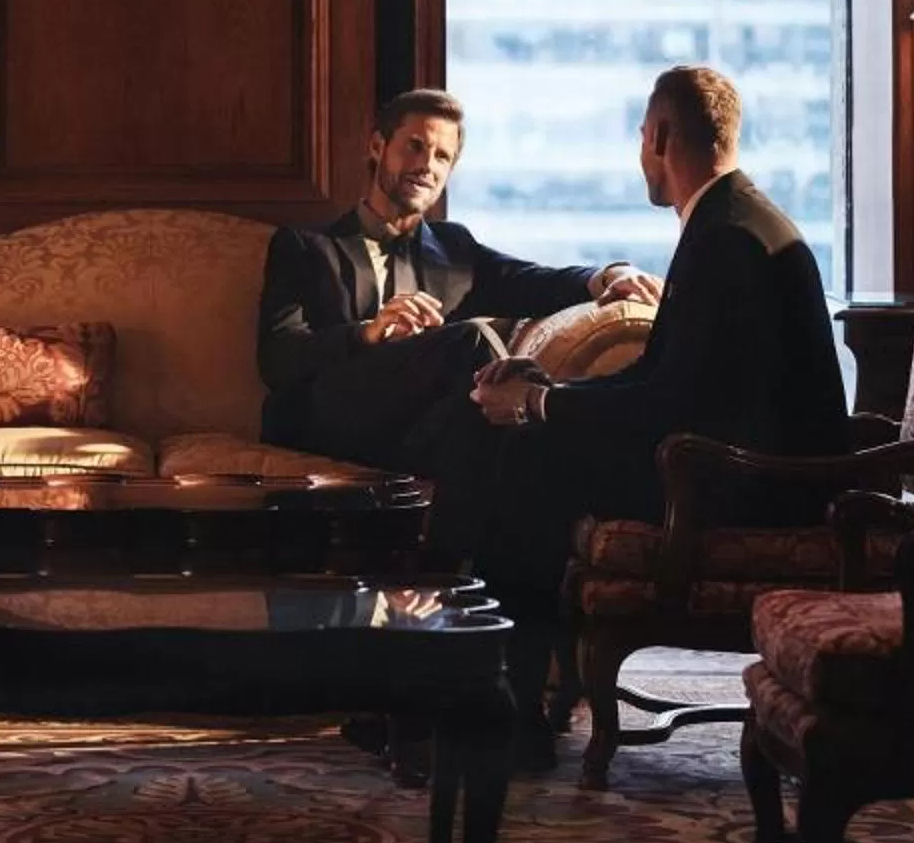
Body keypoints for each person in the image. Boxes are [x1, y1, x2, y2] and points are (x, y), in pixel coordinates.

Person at [471, 63, 850, 542]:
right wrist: (553, 388)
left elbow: (669, 403)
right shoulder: (735, 217)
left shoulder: (726, 239)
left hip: (752, 489)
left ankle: (488, 610)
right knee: (538, 443)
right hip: (739, 471)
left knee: (529, 456)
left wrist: (534, 403)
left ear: (660, 137)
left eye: (642, 137)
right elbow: (662, 376)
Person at [257, 88, 659, 494]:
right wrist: (368, 331)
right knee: (473, 343)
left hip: (409, 432)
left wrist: (605, 276)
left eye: (441, 156)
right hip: (325, 416)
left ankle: (458, 555)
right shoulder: (307, 246)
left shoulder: (453, 249)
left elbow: (530, 280)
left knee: (489, 423)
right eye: (415, 147)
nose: (425, 165)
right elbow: (277, 358)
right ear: (378, 146)